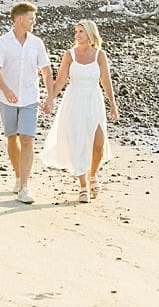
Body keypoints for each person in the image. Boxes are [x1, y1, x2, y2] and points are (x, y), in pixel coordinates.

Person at [41, 20, 120, 203]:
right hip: (74, 100)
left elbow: (106, 81)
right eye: (76, 31)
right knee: (78, 142)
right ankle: (83, 185)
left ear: (90, 34)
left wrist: (113, 105)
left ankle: (93, 174)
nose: (77, 35)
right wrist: (50, 98)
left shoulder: (100, 55)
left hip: (94, 100)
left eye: (81, 32)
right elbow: (60, 80)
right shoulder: (69, 55)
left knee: (98, 143)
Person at [0, 2, 52, 204]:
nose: (34, 22)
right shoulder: (3, 42)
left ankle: (25, 187)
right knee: (12, 138)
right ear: (19, 19)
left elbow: (46, 71)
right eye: (31, 18)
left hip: (30, 99)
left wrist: (50, 97)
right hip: (7, 99)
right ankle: (17, 176)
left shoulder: (37, 43)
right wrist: (6, 90)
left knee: (27, 139)